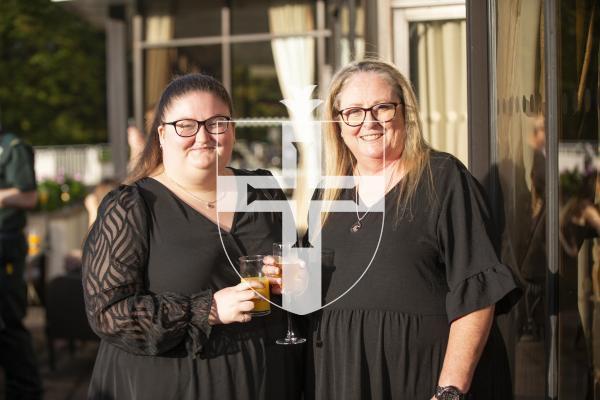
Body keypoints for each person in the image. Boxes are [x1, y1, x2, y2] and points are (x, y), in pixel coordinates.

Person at [265, 60, 521, 399]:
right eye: (353, 112)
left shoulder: (442, 179)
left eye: (382, 107)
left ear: (404, 112)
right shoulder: (326, 195)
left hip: (420, 381)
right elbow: (314, 298)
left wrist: (449, 391)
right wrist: (290, 284)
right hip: (341, 380)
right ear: (338, 124)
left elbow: (476, 297)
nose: (368, 122)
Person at [82, 73, 301, 399]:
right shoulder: (131, 206)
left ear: (232, 130)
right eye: (186, 125)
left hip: (263, 378)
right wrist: (209, 309)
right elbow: (108, 314)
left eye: (216, 123)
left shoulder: (263, 188)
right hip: (170, 384)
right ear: (161, 135)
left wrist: (295, 275)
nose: (203, 136)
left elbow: (294, 261)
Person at [0, 126, 43, 399]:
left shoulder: (12, 146)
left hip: (5, 246)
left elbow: (30, 197)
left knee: (7, 322)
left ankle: (26, 391)